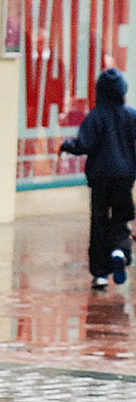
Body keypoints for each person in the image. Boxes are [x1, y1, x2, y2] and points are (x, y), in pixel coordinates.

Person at [60, 67, 136, 290]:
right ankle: (119, 251)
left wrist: (67, 146)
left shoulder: (95, 116)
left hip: (100, 178)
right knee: (121, 219)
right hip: (124, 178)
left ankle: (100, 274)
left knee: (99, 223)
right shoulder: (130, 115)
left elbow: (85, 144)